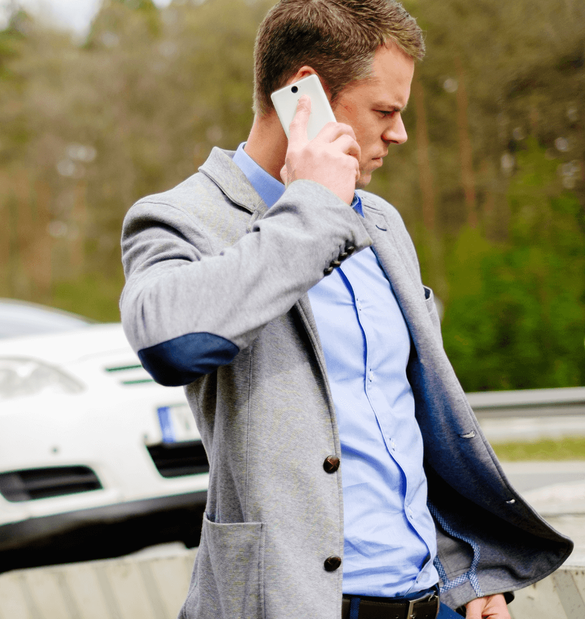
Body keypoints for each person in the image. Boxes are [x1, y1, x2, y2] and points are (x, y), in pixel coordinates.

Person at [118, 1, 572, 618]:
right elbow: (171, 344)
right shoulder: (181, 218)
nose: (399, 133)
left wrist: (467, 569)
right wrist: (311, 208)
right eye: (385, 110)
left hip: (432, 603)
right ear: (304, 95)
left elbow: (402, 421)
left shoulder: (383, 223)